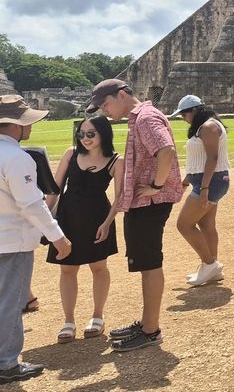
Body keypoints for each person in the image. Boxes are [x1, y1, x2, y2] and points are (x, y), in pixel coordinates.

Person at [86, 79, 184, 352]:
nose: (105, 111)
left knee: (149, 263)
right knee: (145, 262)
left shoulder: (145, 117)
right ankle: (147, 323)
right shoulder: (141, 118)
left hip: (150, 201)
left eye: (106, 104)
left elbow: (166, 150)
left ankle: (151, 330)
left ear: (121, 95)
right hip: (145, 201)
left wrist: (157, 186)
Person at [1, 95, 71, 383]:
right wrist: (57, 236)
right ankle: (6, 364)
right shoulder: (17, 158)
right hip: (12, 240)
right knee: (10, 302)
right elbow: (32, 204)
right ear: (16, 126)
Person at [45, 116, 123, 343]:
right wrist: (45, 219)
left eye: (91, 134)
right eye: (81, 134)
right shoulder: (71, 154)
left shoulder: (116, 161)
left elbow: (120, 197)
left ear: (103, 134)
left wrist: (107, 223)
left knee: (98, 267)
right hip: (68, 217)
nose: (85, 138)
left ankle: (98, 315)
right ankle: (68, 321)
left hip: (98, 218)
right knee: (67, 269)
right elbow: (54, 188)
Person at [171, 95, 230, 287]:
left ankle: (209, 264)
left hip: (211, 182)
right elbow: (200, 161)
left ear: (195, 110)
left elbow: (212, 158)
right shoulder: (204, 127)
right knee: (206, 224)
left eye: (184, 114)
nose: (184, 118)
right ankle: (212, 268)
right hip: (209, 181)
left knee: (184, 224)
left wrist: (204, 188)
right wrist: (186, 182)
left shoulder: (208, 127)